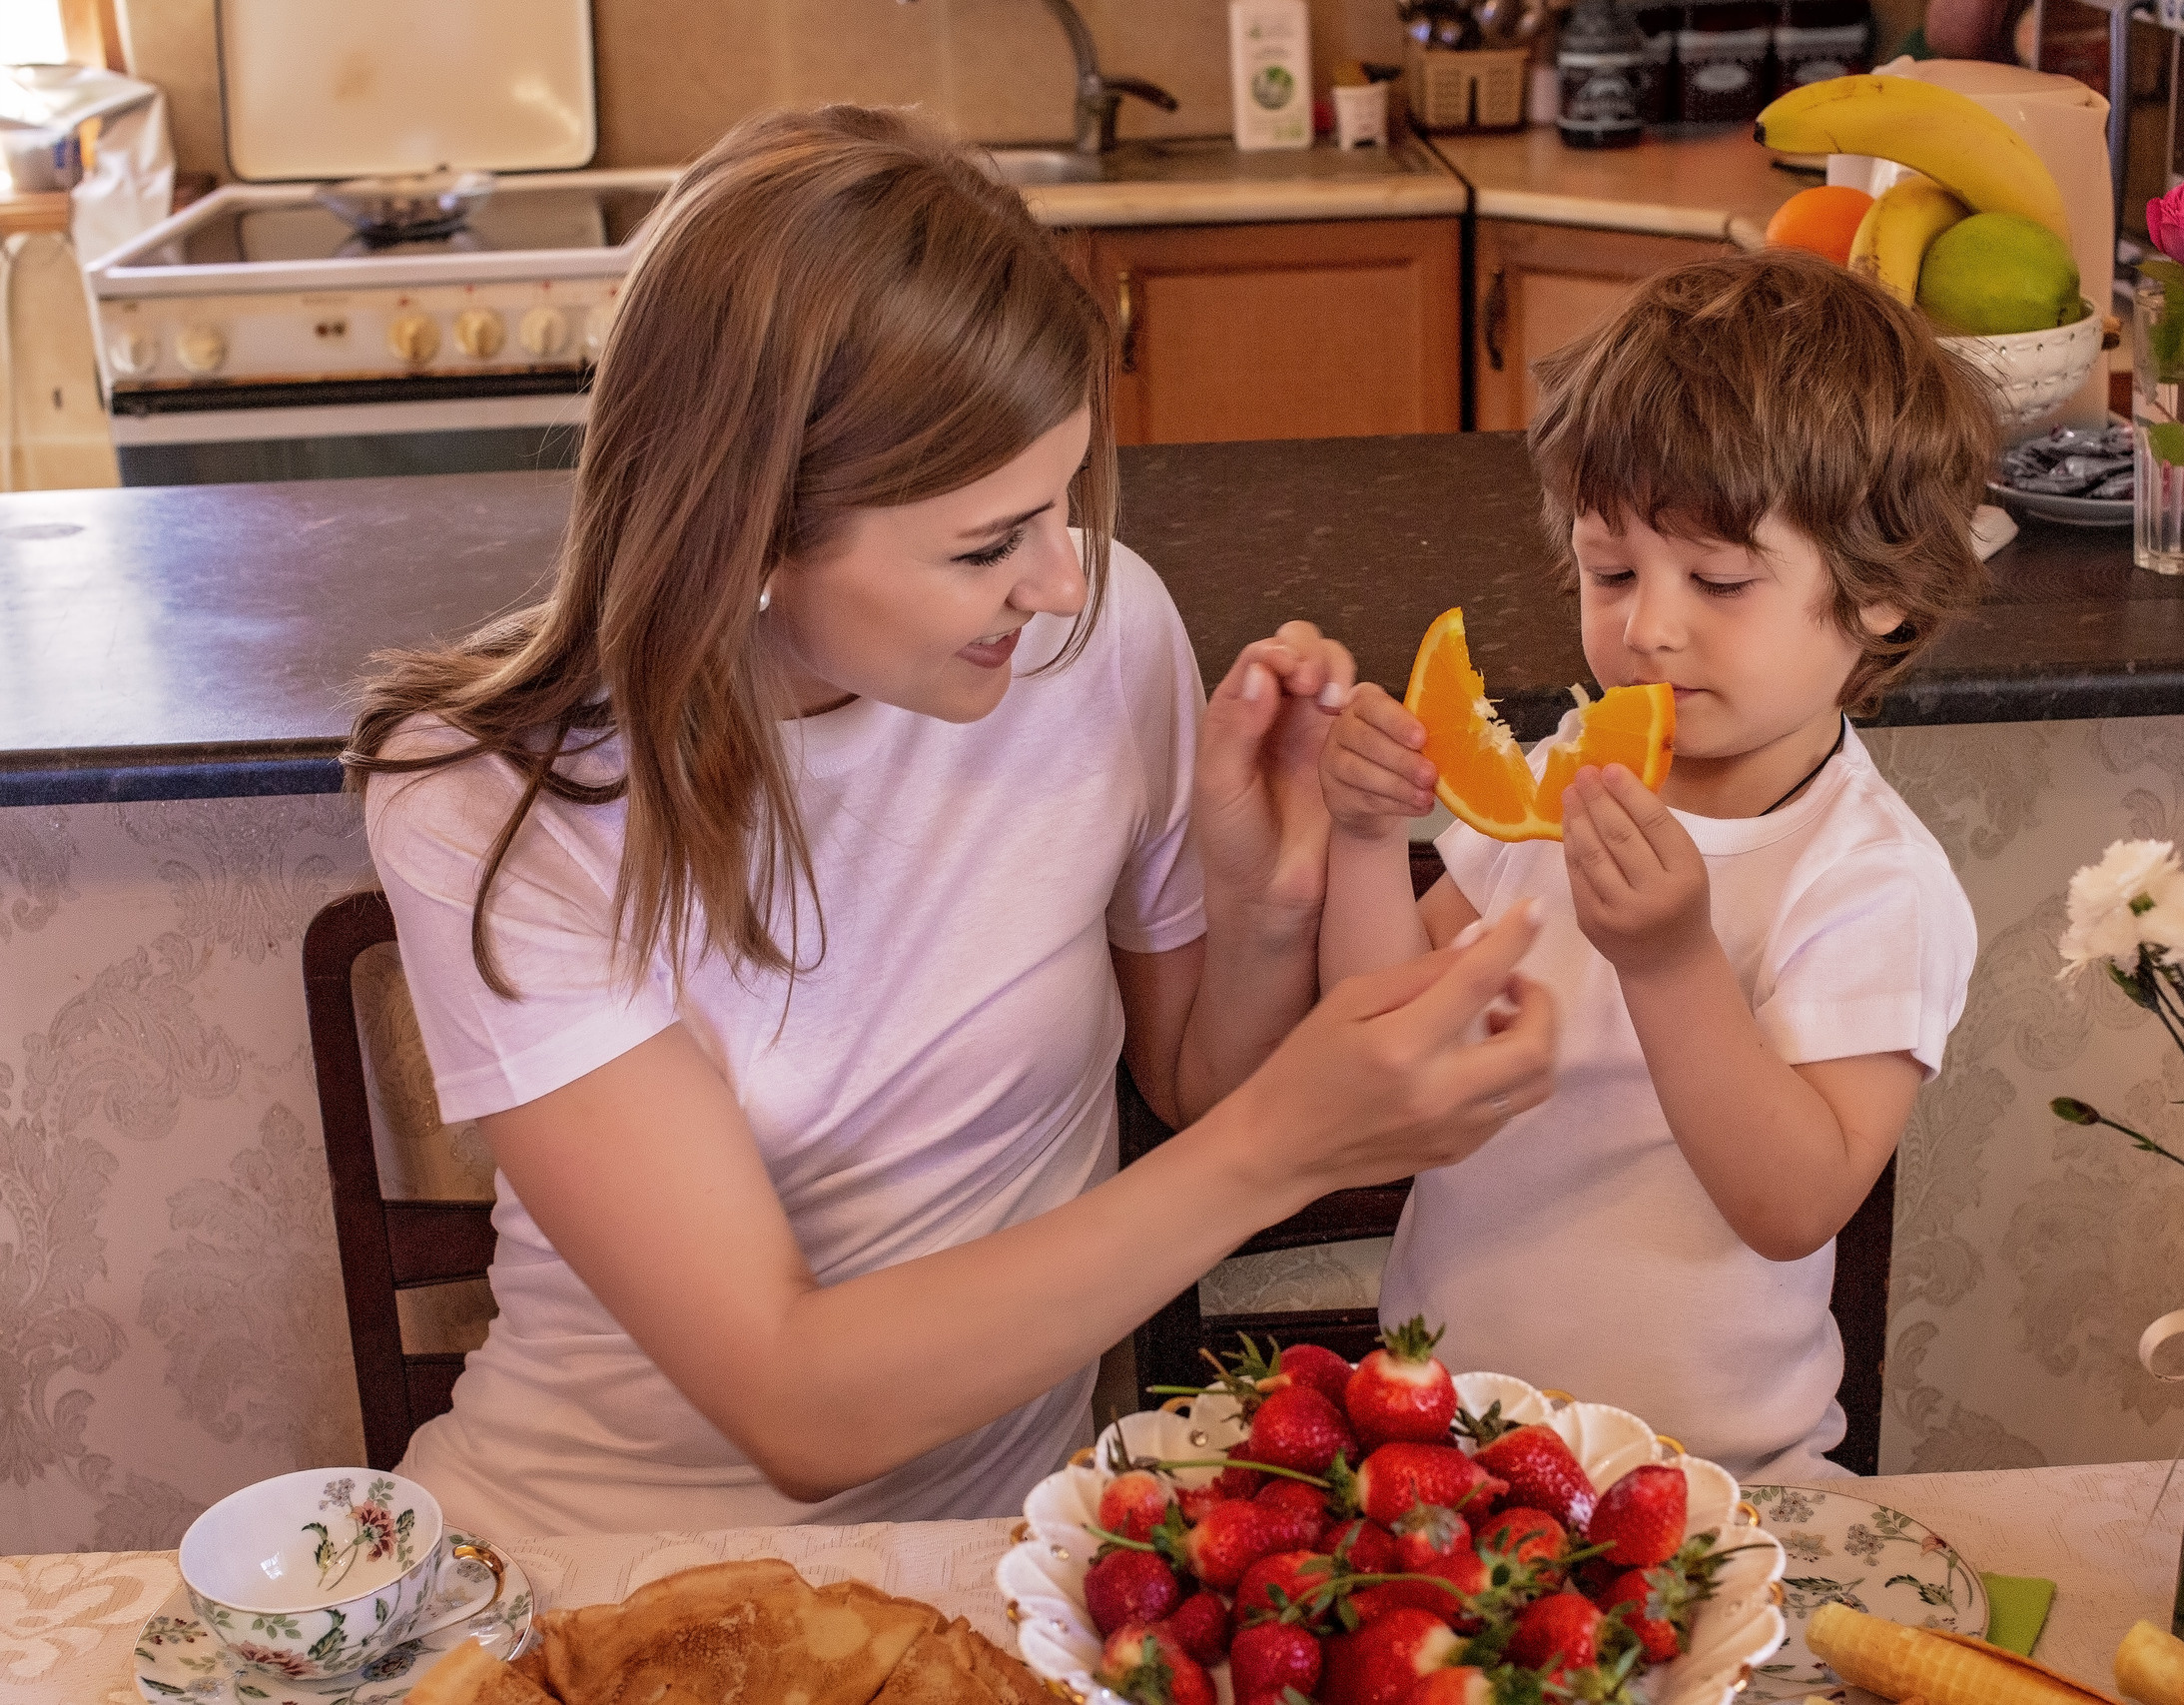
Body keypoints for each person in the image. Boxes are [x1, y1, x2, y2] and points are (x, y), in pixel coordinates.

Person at [345, 105, 1555, 1540]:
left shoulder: (1099, 633)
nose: (1056, 579)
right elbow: (799, 1405)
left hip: (987, 1566)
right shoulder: (489, 797)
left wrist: (1261, 904)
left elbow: (1190, 1083)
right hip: (582, 1552)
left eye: (1063, 503)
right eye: (987, 544)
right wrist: (1294, 1141)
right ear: (748, 528)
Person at [1316, 251, 1990, 1480]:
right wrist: (1364, 841)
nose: (1648, 629)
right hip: (1448, 1452)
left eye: (1718, 581)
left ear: (1882, 594)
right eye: (1611, 570)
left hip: (1716, 1480)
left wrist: (1671, 960)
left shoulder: (1865, 879)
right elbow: (1386, 1043)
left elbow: (1791, 1205)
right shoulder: (1567, 767)